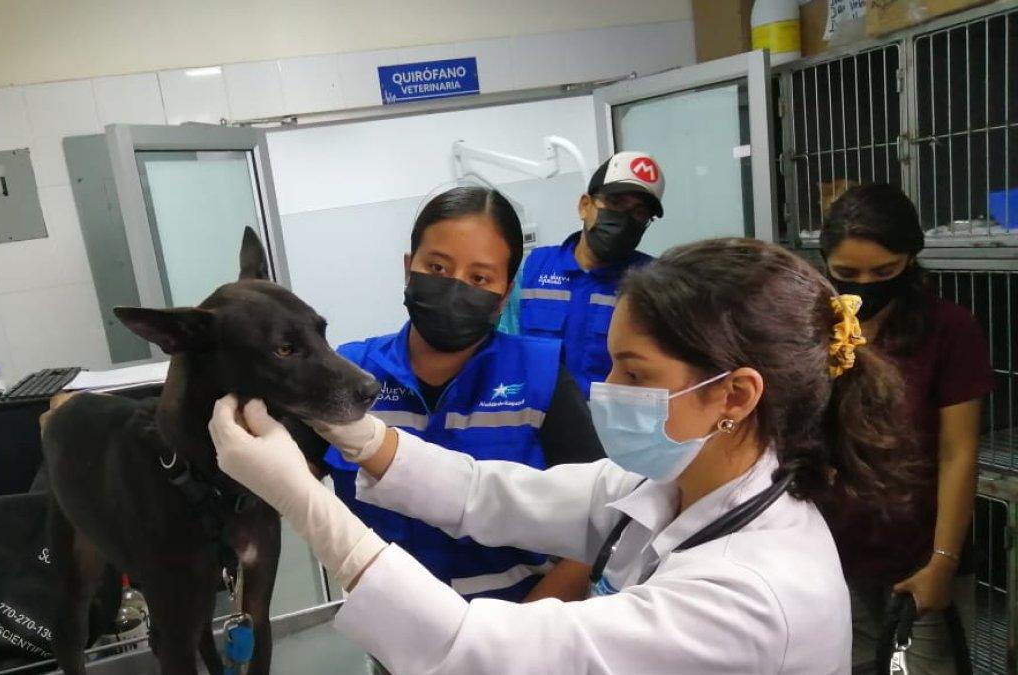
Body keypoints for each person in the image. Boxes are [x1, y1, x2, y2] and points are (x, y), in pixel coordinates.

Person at [211, 237, 919, 674]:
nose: (605, 388)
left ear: (733, 394)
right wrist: (359, 437)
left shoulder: (753, 593)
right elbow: (487, 493)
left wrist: (304, 501)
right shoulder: (665, 481)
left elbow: (482, 651)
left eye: (635, 373)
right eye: (611, 363)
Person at [320, 186, 606, 604]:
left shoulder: (541, 378)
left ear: (504, 295)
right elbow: (280, 477)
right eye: (437, 267)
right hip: (391, 629)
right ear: (408, 268)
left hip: (521, 627)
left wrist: (514, 633)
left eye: (479, 278)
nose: (455, 289)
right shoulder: (348, 375)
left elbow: (596, 527)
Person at [818, 184, 992, 674]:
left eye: (884, 272)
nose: (866, 286)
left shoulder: (949, 329)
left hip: (920, 550)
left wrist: (943, 561)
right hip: (829, 551)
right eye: (847, 274)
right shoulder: (814, 327)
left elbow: (958, 452)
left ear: (910, 259)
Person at [498, 151, 665, 397]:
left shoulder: (653, 282)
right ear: (585, 206)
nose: (624, 220)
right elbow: (504, 347)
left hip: (608, 418)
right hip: (535, 412)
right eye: (615, 203)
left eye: (639, 213)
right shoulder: (533, 268)